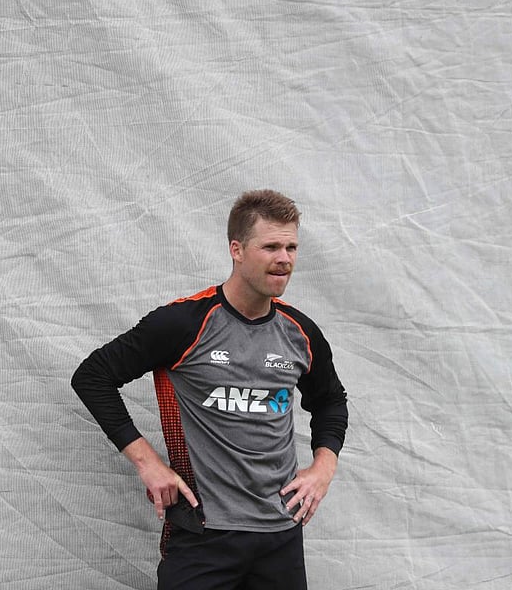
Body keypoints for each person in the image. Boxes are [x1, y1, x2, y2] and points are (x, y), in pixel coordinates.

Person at [72, 189, 349, 589]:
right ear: (237, 250)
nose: (284, 258)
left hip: (280, 535)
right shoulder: (184, 323)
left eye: (291, 247)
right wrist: (148, 464)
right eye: (270, 247)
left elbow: (331, 402)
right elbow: (93, 376)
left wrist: (323, 468)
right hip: (205, 534)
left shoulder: (300, 332)